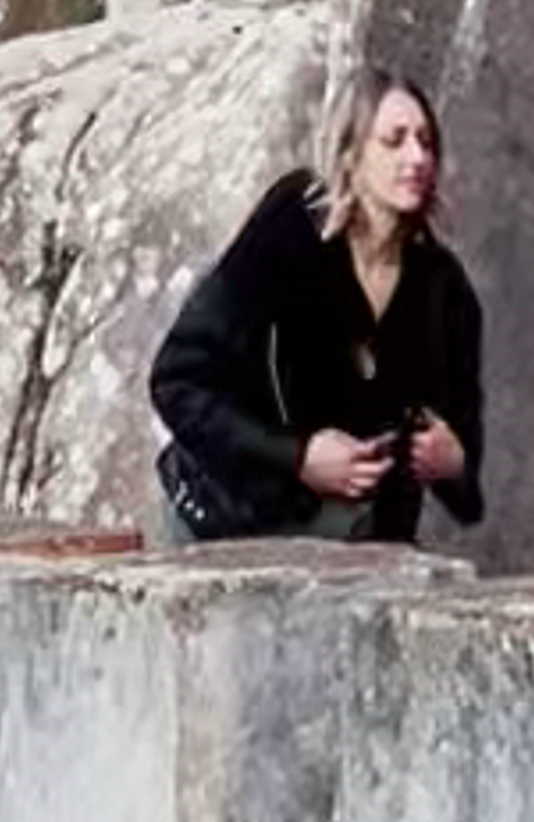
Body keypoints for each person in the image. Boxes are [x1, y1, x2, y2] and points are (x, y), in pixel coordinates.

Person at [148, 66, 485, 550]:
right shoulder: (290, 231)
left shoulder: (438, 284)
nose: (417, 157)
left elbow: (444, 454)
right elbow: (176, 382)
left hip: (344, 544)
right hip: (226, 522)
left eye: (426, 142)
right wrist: (299, 457)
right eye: (394, 140)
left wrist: (452, 460)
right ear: (351, 154)